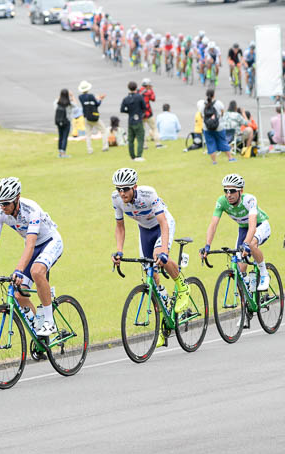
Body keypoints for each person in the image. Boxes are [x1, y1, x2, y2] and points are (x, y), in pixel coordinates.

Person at [0, 178, 63, 338]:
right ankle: (41, 334)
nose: (2, 207)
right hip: (32, 247)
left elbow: (31, 244)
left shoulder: (31, 209)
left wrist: (19, 270)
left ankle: (49, 321)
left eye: (6, 203)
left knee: (37, 271)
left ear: (17, 198)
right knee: (19, 295)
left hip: (50, 242)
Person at [110, 168, 190, 347]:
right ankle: (164, 316)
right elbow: (120, 227)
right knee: (150, 273)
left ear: (135, 187)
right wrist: (119, 251)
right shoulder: (116, 199)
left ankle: (182, 286)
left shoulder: (148, 194)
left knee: (158, 256)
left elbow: (163, 222)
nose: (122, 193)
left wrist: (164, 251)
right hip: (144, 230)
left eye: (126, 189)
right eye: (119, 189)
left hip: (162, 225)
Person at [200, 173, 271, 292]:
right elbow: (213, 225)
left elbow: (253, 226)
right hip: (243, 228)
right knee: (240, 268)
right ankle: (249, 289)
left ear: (241, 191)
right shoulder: (222, 202)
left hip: (260, 225)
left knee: (252, 245)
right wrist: (207, 245)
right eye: (226, 191)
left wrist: (246, 244)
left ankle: (264, 274)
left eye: (232, 191)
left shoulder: (249, 200)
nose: (228, 194)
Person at [197, 88, 235, 164]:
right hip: (219, 126)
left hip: (207, 127)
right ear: (214, 95)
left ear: (206, 95)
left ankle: (214, 161)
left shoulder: (202, 105)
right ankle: (230, 158)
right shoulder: (218, 103)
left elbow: (201, 116)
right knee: (223, 141)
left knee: (210, 143)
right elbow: (222, 112)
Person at [78, 80, 109, 154]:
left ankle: (89, 149)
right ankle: (105, 146)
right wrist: (100, 99)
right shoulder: (91, 96)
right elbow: (97, 104)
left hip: (86, 117)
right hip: (94, 117)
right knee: (103, 130)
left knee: (88, 134)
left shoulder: (80, 97)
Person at [120, 80, 146, 161]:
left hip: (130, 120)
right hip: (138, 119)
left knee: (130, 140)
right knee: (140, 138)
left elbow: (122, 109)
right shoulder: (139, 97)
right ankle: (139, 155)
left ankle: (132, 156)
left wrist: (129, 111)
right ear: (136, 87)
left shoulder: (126, 99)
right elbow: (144, 107)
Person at [138, 78, 163, 149]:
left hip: (140, 114)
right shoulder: (148, 92)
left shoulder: (138, 91)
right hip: (148, 113)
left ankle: (144, 145)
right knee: (154, 128)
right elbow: (153, 99)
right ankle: (158, 144)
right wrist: (151, 90)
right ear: (148, 85)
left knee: (142, 130)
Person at [54, 89, 76, 158]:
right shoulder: (69, 103)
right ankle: (63, 153)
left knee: (60, 136)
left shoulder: (57, 102)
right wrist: (72, 96)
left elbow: (55, 104)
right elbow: (75, 105)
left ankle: (60, 152)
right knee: (64, 137)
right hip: (66, 121)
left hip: (58, 121)